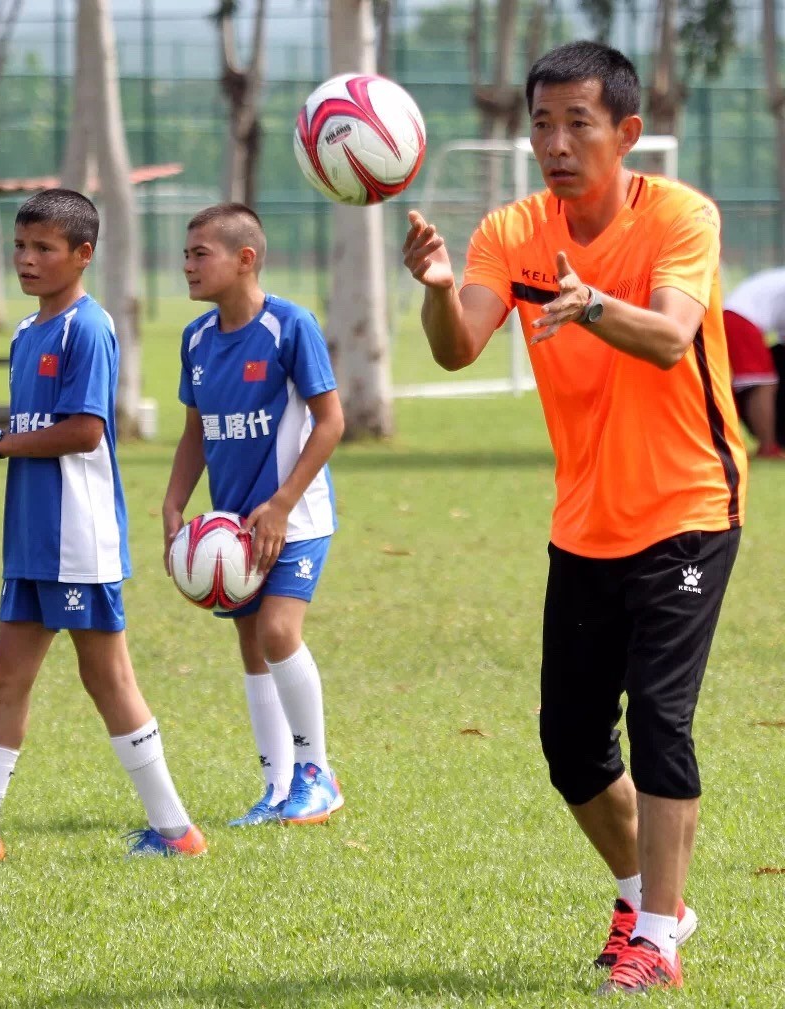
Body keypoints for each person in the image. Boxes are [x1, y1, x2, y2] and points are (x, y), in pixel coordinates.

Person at [402, 40, 744, 995]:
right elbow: (459, 347)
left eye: (577, 123)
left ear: (626, 133)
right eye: (542, 123)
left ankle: (661, 942)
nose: (555, 142)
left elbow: (674, 339)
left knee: (663, 721)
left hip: (688, 502)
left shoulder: (680, 216)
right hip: (587, 516)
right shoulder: (511, 232)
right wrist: (435, 294)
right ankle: (643, 897)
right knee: (571, 745)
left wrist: (592, 305)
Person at [0, 189, 205, 863]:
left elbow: (86, 431)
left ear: (82, 254)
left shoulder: (85, 329)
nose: (27, 260)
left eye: (43, 248)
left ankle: (176, 828)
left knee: (109, 679)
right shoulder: (25, 333)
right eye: (20, 246)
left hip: (77, 540)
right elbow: (35, 430)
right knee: (7, 673)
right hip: (33, 538)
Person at [161, 203, 345, 827]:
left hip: (296, 516)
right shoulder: (195, 340)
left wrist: (283, 503)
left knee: (276, 633)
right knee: (250, 642)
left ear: (246, 260)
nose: (187, 265)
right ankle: (276, 786)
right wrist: (173, 502)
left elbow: (331, 422)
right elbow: (195, 432)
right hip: (232, 523)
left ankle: (319, 776)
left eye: (199, 254)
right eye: (185, 254)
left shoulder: (289, 326)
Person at [722, 267, 785, 458]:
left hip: (736, 314)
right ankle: (768, 448)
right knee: (763, 383)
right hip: (742, 318)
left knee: (758, 382)